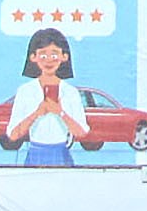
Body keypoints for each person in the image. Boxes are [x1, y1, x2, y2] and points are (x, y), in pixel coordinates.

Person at [6, 28, 89, 166]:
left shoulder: (71, 92)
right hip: (35, 153)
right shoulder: (25, 91)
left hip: (61, 153)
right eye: (43, 55)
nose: (49, 60)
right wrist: (37, 113)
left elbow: (82, 132)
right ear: (33, 57)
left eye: (55, 54)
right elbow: (13, 135)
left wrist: (60, 112)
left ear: (64, 57)